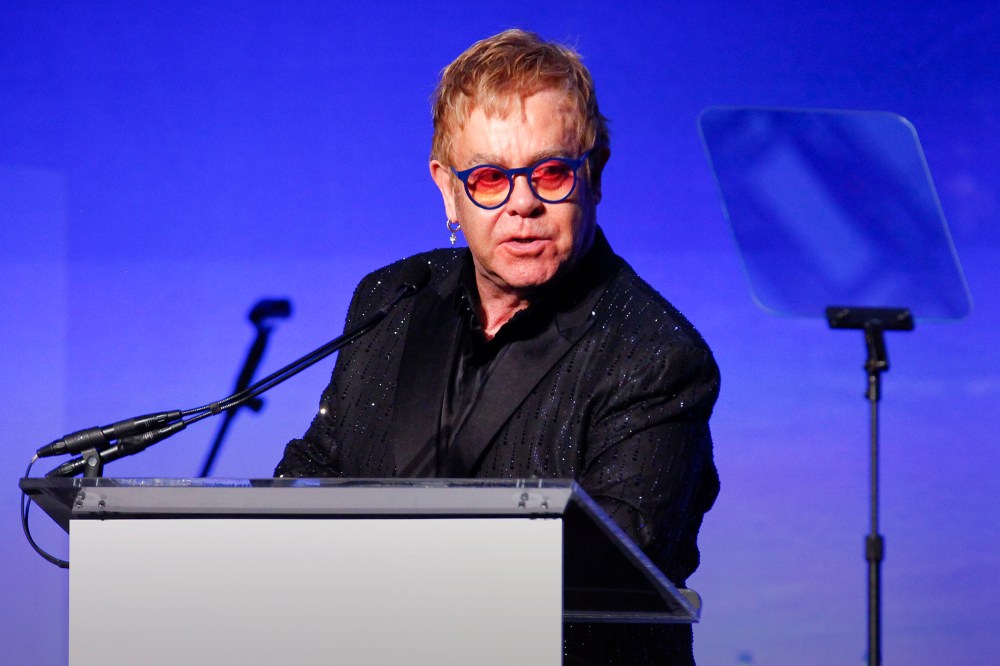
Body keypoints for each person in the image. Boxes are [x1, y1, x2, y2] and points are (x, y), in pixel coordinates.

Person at [275, 28, 720, 665]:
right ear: (447, 189)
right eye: (488, 178)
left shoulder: (654, 355)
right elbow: (316, 472)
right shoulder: (390, 301)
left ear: (594, 173)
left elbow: (610, 568)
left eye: (549, 172)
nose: (522, 204)